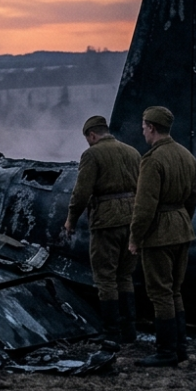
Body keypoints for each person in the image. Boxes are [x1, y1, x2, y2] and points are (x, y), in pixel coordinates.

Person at [128, 106, 196, 367]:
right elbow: (193, 197)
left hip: (159, 233)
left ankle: (165, 352)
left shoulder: (152, 160)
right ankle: (180, 349)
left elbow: (144, 206)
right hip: (182, 229)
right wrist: (182, 221)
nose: (143, 131)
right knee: (175, 291)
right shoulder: (187, 156)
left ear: (152, 128)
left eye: (144, 126)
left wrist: (135, 237)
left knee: (160, 293)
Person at [63, 115, 141, 346]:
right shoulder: (133, 152)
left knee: (105, 277)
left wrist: (71, 219)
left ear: (92, 135)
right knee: (124, 275)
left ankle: (111, 332)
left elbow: (81, 193)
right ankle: (129, 331)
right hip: (132, 220)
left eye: (88, 138)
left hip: (106, 222)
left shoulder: (92, 154)